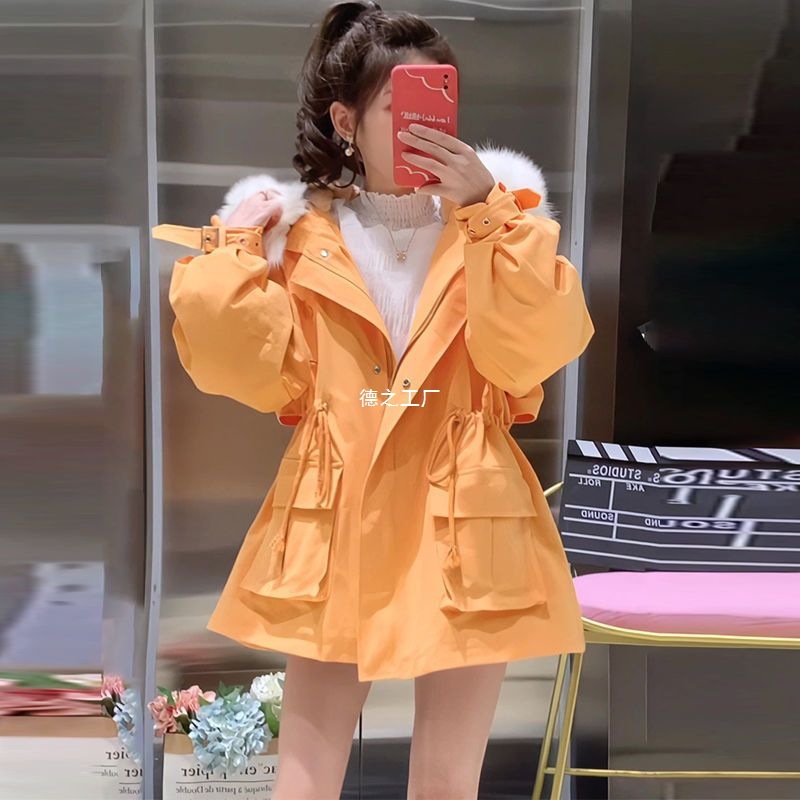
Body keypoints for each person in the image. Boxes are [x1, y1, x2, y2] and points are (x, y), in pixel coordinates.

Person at [152, 2, 595, 798]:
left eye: (438, 100)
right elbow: (248, 373)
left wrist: (490, 215)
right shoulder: (300, 238)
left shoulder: (497, 229)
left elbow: (534, 352)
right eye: (398, 106)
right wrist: (233, 253)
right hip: (335, 511)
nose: (424, 125)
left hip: (469, 515)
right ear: (346, 120)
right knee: (306, 778)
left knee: (448, 784)